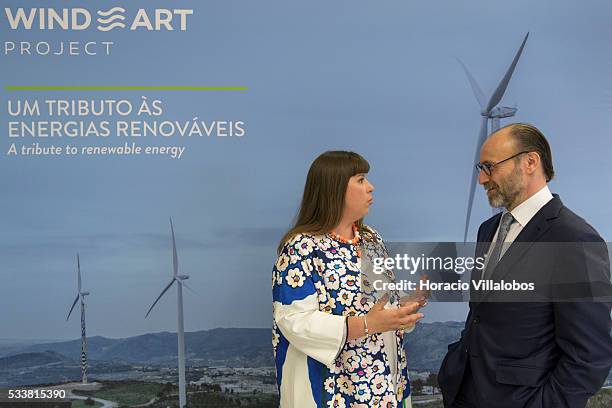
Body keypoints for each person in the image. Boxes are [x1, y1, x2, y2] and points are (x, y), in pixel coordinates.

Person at [438, 123, 612, 408]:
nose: (482, 179)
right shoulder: (488, 229)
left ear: (530, 162)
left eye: (489, 167)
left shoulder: (573, 239)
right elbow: (481, 316)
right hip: (463, 392)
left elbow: (590, 355)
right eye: (480, 169)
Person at [272, 151, 425, 408]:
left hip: (383, 383)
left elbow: (380, 307)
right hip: (331, 387)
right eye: (361, 179)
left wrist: (404, 309)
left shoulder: (371, 239)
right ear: (335, 188)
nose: (371, 187)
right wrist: (367, 324)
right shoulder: (301, 247)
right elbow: (293, 321)